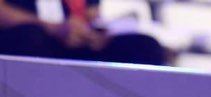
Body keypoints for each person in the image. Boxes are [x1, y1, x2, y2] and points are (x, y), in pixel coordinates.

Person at [0, 0, 164, 65]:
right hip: (25, 39)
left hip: (74, 42)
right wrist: (54, 28)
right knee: (30, 37)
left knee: (145, 46)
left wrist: (95, 35)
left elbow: (92, 15)